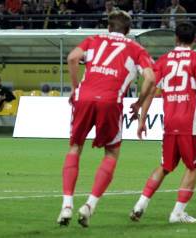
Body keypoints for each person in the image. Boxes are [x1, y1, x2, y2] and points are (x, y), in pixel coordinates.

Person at [57, 10, 156, 227]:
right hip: (111, 100)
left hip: (84, 98)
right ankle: (90, 205)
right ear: (128, 31)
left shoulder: (93, 40)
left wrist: (75, 88)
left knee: (75, 147)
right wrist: (139, 103)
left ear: (108, 27)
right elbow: (150, 77)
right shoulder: (135, 48)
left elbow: (73, 57)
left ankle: (66, 206)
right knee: (111, 152)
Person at [130, 22, 196, 223]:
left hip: (170, 120)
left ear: (176, 39)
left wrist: (142, 119)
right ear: (195, 39)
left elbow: (151, 88)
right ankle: (178, 212)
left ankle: (140, 204)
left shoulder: (163, 60)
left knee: (165, 165)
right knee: (193, 166)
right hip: (190, 120)